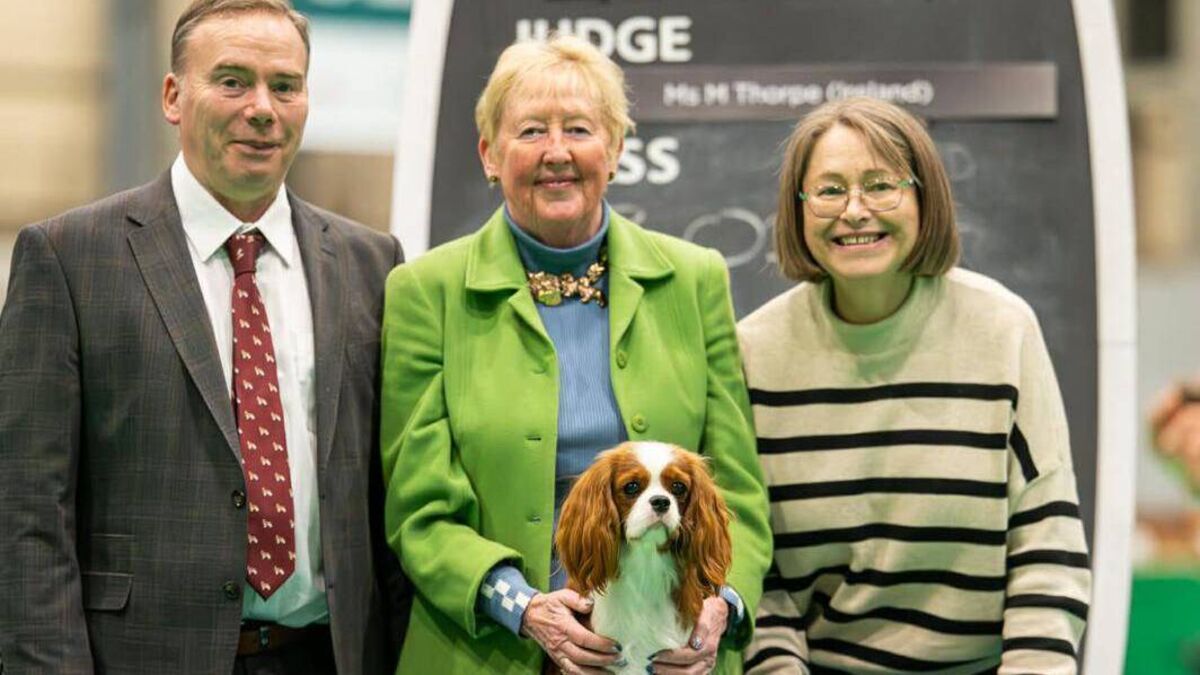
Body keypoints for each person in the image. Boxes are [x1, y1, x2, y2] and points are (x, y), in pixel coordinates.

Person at [0, 1, 406, 672]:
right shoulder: (70, 257)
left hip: (328, 655)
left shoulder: (372, 264)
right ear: (172, 96)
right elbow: (26, 514)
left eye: (285, 85)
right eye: (232, 81)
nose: (262, 108)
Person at [380, 35, 772, 675]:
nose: (557, 152)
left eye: (580, 130)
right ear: (489, 154)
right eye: (531, 130)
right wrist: (521, 606)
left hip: (670, 655)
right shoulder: (425, 292)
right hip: (491, 650)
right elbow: (420, 512)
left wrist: (720, 605)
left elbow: (738, 492)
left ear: (614, 150)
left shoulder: (695, 278)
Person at [737, 98, 1091, 673]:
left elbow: (1046, 544)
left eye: (881, 186)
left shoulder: (1003, 331)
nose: (855, 211)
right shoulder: (754, 353)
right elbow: (755, 567)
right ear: (797, 209)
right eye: (829, 191)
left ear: (926, 199)